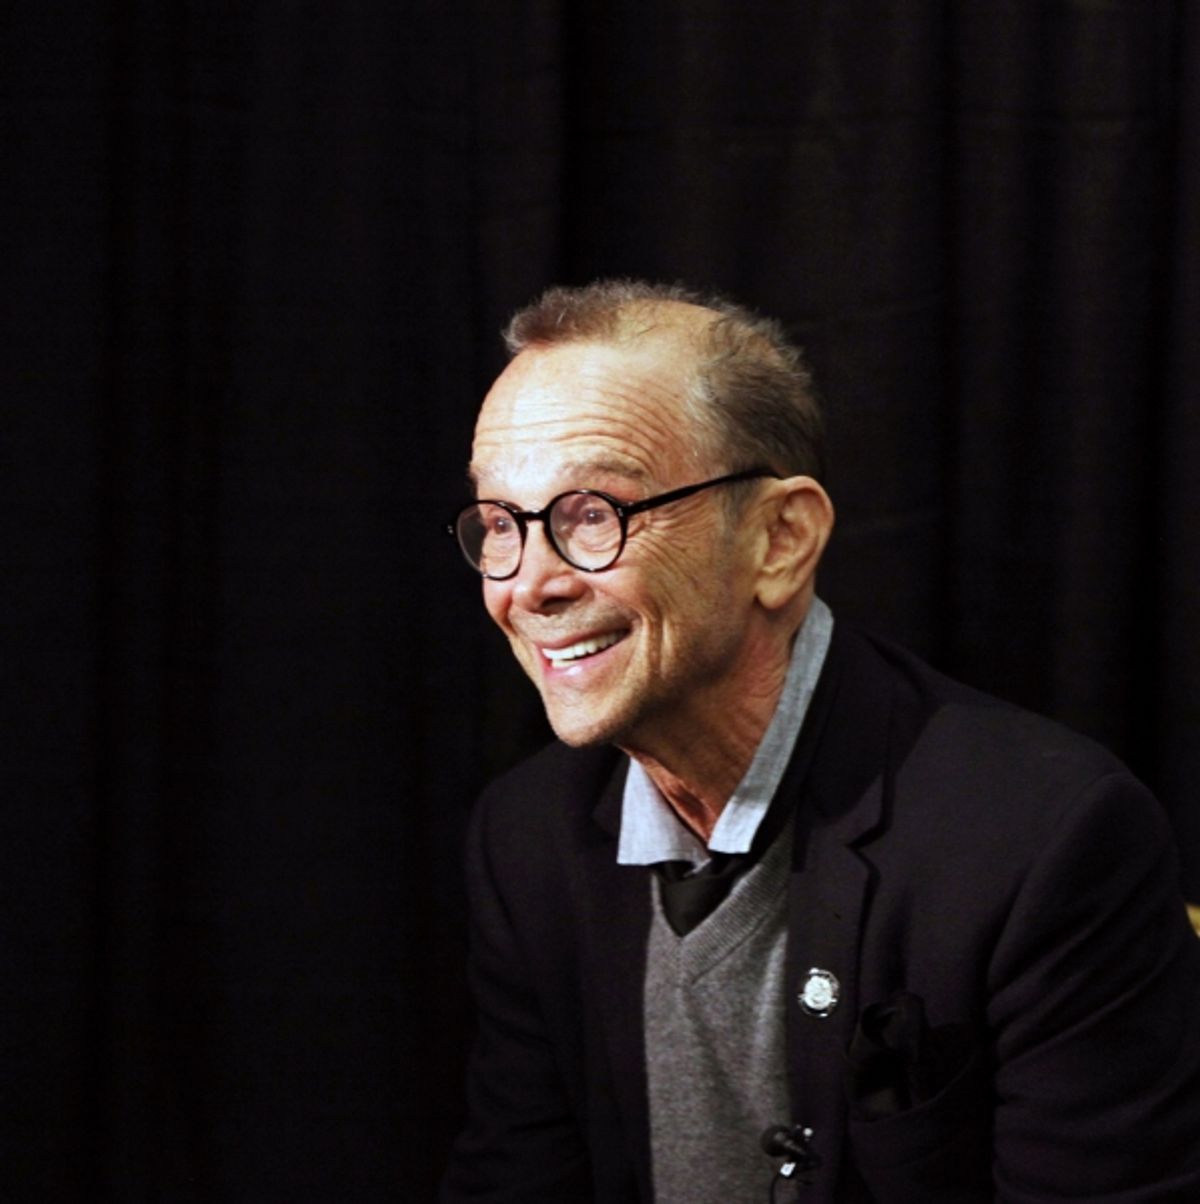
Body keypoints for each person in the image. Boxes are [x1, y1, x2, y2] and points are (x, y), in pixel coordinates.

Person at [440, 279, 1200, 1203]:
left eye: (593, 514)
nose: (528, 584)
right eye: (501, 525)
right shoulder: (526, 837)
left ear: (780, 540)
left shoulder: (1045, 840)